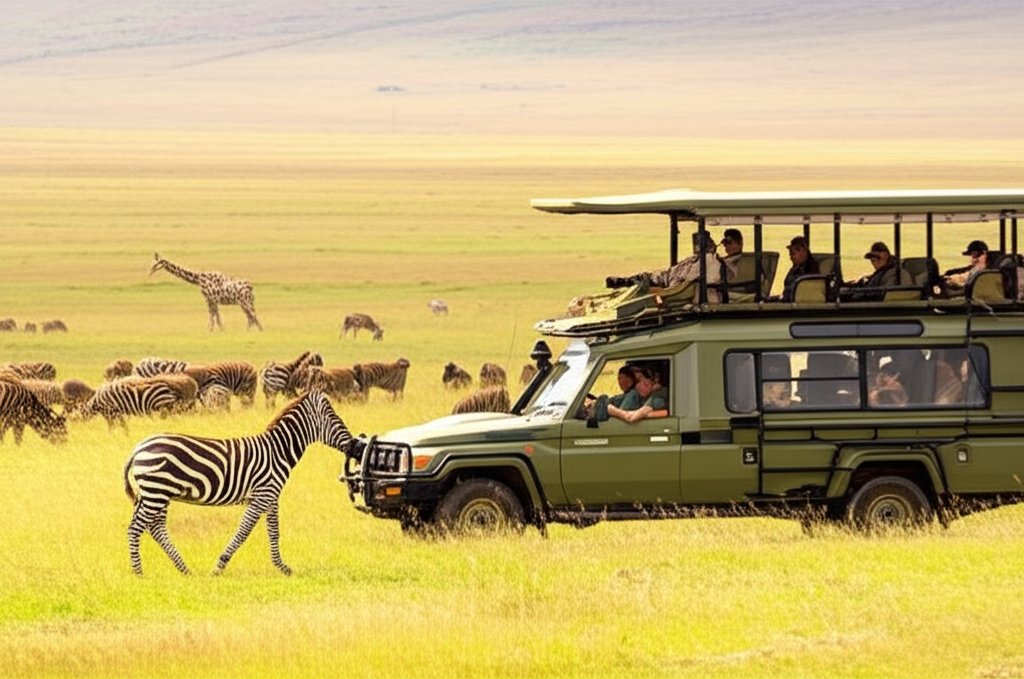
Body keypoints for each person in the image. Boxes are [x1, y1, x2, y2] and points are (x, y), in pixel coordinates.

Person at [606, 231, 723, 302]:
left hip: (679, 295)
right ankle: (628, 281)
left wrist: (665, 290)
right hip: (672, 287)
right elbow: (671, 273)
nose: (696, 246)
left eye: (699, 243)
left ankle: (632, 283)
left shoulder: (711, 262)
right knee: (646, 280)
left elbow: (693, 282)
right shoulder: (692, 260)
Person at [843, 242, 912, 301]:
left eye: (877, 258)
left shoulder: (896, 274)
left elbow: (885, 296)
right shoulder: (880, 274)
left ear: (886, 256)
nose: (873, 262)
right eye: (872, 259)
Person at [778, 236, 820, 302]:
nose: (791, 258)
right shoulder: (795, 269)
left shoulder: (810, 269)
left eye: (793, 253)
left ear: (803, 251)